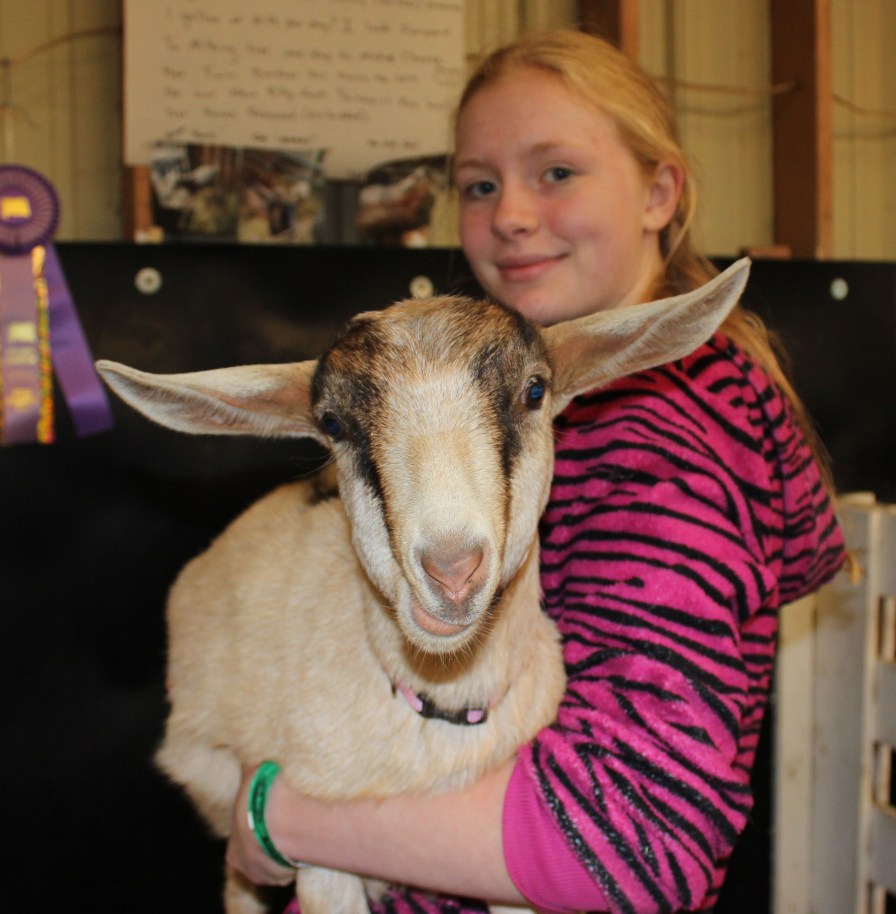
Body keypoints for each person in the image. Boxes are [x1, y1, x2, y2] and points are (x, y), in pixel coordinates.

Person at [224, 29, 847, 914]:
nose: (510, 214)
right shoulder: (556, 407)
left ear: (658, 192)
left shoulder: (653, 436)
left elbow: (631, 840)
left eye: (556, 172)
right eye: (480, 185)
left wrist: (282, 814)